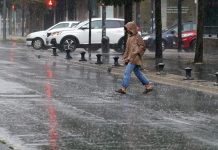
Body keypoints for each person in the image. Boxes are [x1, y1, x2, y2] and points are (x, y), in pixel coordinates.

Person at [116, 21, 153, 94]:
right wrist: (125, 57)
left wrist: (136, 52)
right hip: (131, 58)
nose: (126, 30)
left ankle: (123, 88)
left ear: (131, 29)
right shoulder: (129, 37)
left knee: (127, 72)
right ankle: (148, 85)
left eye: (127, 28)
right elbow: (127, 48)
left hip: (135, 58)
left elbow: (143, 46)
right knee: (137, 72)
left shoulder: (137, 36)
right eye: (126, 29)